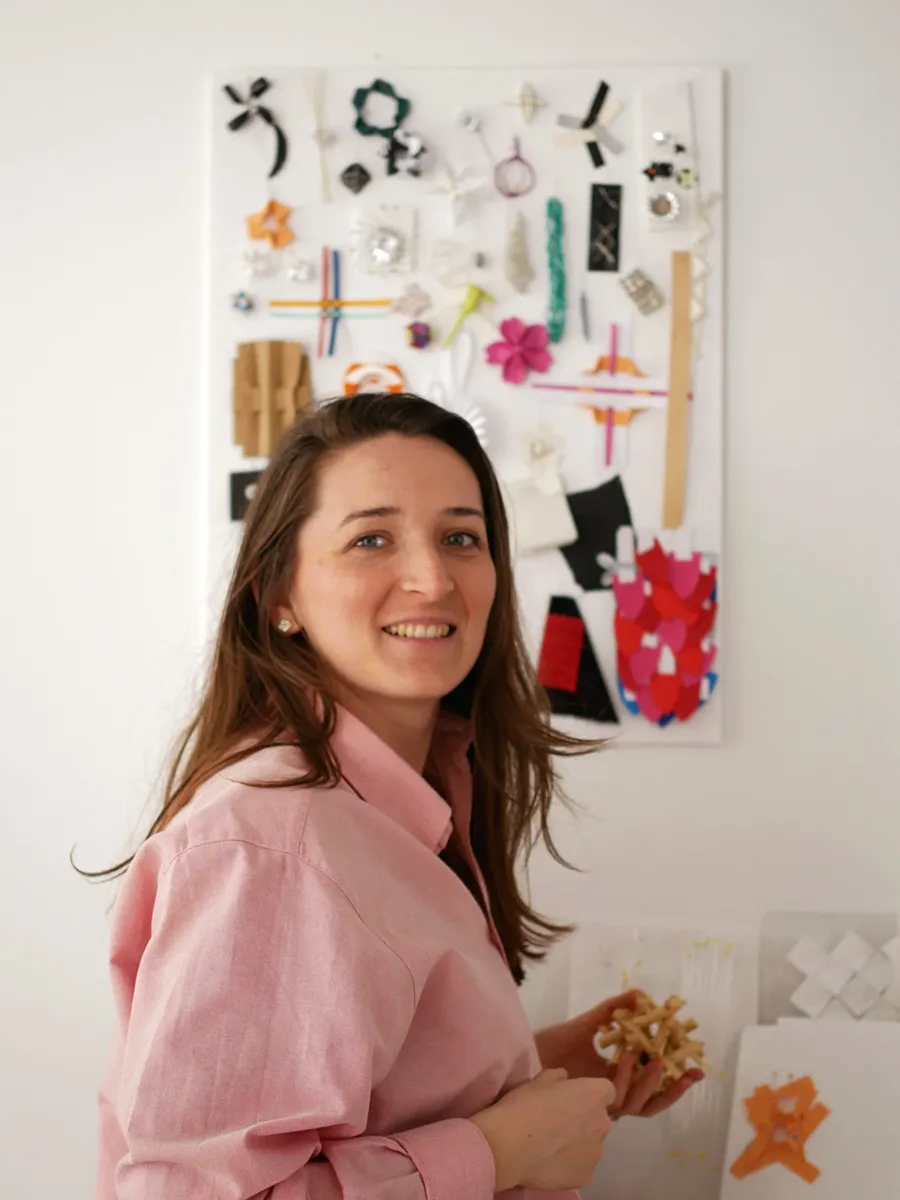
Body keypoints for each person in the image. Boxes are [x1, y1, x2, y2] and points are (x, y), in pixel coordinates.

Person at [90, 392, 702, 1199]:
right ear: (279, 595)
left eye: (460, 537)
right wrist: (493, 1151)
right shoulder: (271, 840)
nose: (431, 577)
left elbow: (360, 1097)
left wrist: (532, 1074)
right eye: (371, 538)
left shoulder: (417, 788)